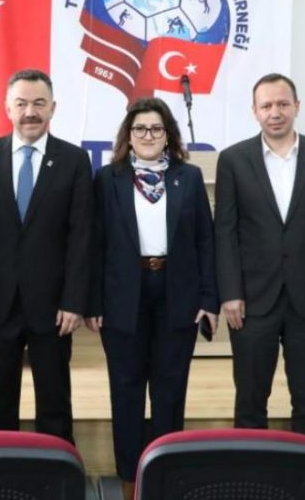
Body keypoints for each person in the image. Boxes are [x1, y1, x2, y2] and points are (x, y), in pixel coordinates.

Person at [87, 97, 218, 491]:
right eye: (140, 128)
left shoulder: (188, 177)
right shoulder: (107, 179)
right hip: (122, 295)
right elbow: (95, 244)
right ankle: (130, 478)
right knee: (126, 388)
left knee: (170, 388)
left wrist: (208, 299)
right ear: (128, 135)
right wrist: (93, 302)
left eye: (156, 129)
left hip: (177, 293)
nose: (148, 135)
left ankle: (165, 474)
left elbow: (205, 241)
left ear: (168, 135)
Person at [214, 72, 305, 440]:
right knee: (250, 400)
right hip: (251, 300)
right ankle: (251, 469)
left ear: (297, 106)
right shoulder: (233, 160)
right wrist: (230, 292)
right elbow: (225, 232)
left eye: (283, 104)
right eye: (267, 106)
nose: (275, 112)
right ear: (255, 111)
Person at [0, 69, 92, 443]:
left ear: (53, 108)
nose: (30, 112)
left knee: (54, 401)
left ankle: (58, 470)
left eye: (39, 103)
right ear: (7, 108)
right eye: (21, 104)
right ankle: (0, 470)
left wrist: (74, 300)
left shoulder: (74, 160)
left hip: (53, 307)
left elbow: (82, 236)